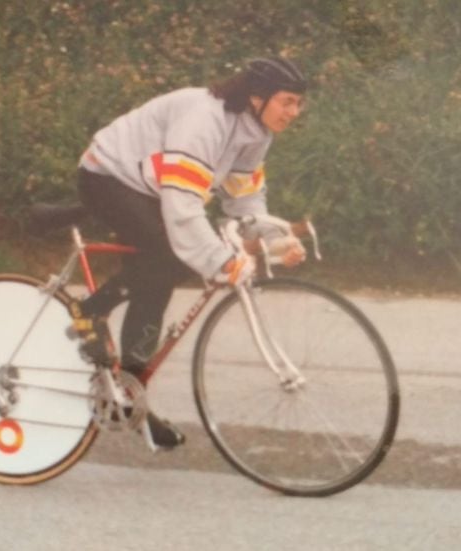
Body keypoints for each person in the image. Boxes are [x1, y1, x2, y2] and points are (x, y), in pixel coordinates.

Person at [75, 56, 308, 449]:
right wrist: (222, 260)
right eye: (287, 101)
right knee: (170, 259)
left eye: (299, 103)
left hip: (149, 187)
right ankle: (91, 310)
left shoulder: (256, 134)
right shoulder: (205, 121)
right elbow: (183, 209)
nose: (294, 112)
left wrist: (274, 239)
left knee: (159, 279)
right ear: (257, 96)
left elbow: (246, 204)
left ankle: (130, 397)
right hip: (109, 176)